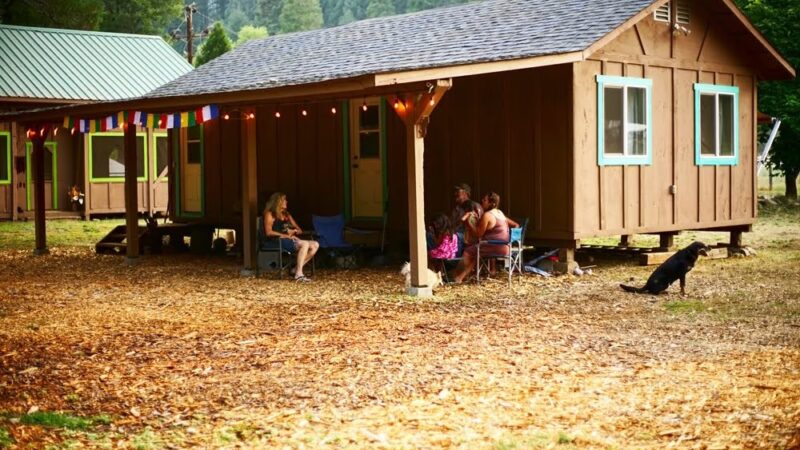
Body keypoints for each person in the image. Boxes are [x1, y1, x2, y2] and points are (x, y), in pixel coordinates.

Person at [451, 191, 519, 283]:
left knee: (468, 251)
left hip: (494, 246)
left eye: (485, 200)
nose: (482, 201)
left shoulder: (488, 215)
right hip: (506, 247)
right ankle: (461, 277)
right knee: (476, 253)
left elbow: (478, 234)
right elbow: (516, 225)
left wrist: (468, 223)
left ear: (491, 203)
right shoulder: (500, 213)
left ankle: (459, 276)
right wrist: (511, 238)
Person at [263, 192, 319, 282]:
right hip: (275, 240)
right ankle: (299, 274)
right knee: (304, 244)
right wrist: (286, 235)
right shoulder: (270, 214)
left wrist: (293, 232)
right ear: (278, 201)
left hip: (287, 239)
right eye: (284, 199)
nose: (286, 201)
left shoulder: (286, 214)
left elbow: (299, 229)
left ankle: (295, 269)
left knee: (315, 244)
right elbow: (268, 232)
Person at [450, 183, 483, 256]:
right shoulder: (456, 209)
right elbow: (452, 224)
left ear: (465, 193)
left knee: (456, 236)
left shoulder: (474, 205)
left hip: (469, 236)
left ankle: (454, 262)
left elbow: (480, 222)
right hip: (456, 233)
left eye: (458, 192)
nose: (455, 194)